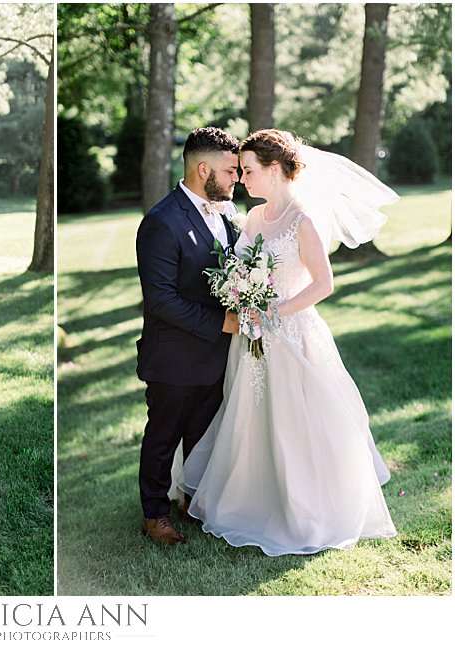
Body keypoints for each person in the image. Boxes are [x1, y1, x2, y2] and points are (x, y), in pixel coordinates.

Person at [179, 129, 397, 556]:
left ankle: (305, 510)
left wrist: (274, 312)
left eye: (248, 170)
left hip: (292, 332)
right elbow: (238, 269)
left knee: (295, 419)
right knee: (251, 418)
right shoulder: (255, 217)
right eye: (240, 171)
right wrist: (240, 296)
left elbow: (323, 284)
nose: (241, 178)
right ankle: (251, 498)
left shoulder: (303, 220)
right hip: (252, 337)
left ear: (275, 169)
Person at [135, 127, 242, 544]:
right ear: (203, 170)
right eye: (230, 171)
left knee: (203, 434)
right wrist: (222, 323)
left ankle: (192, 498)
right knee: (163, 437)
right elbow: (160, 300)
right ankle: (154, 514)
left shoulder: (227, 215)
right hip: (174, 357)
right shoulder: (161, 222)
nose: (236, 179)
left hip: (219, 355)